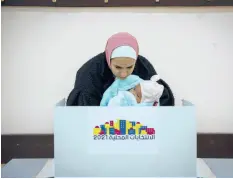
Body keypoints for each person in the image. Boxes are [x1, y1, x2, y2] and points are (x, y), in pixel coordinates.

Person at [66, 32, 174, 106]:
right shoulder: (89, 72)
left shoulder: (144, 67)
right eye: (117, 67)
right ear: (108, 60)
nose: (123, 74)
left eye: (129, 67)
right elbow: (84, 114)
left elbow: (159, 97)